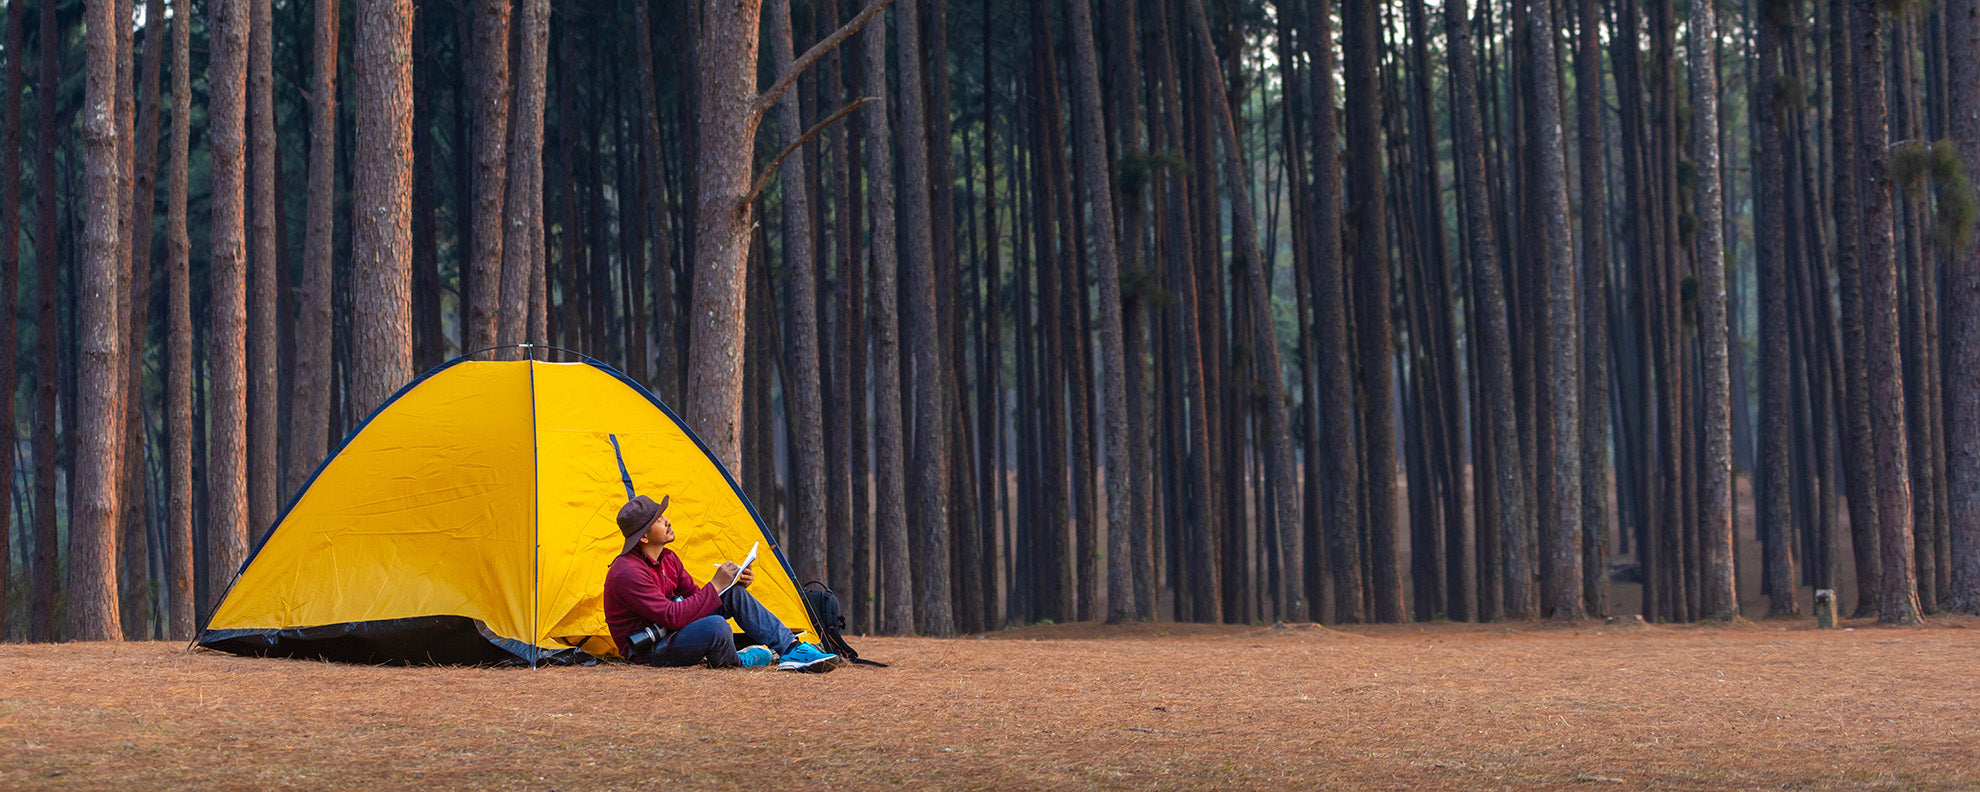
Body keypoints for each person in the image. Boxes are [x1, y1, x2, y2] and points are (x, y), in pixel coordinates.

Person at [603, 494, 839, 672]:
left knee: (732, 595)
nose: (667, 521)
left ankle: (791, 649)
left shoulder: (668, 558)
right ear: (644, 537)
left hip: (673, 633)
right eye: (658, 520)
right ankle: (738, 661)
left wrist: (733, 585)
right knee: (716, 626)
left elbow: (696, 600)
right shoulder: (627, 573)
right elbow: (672, 616)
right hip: (649, 651)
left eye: (663, 515)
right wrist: (715, 586)